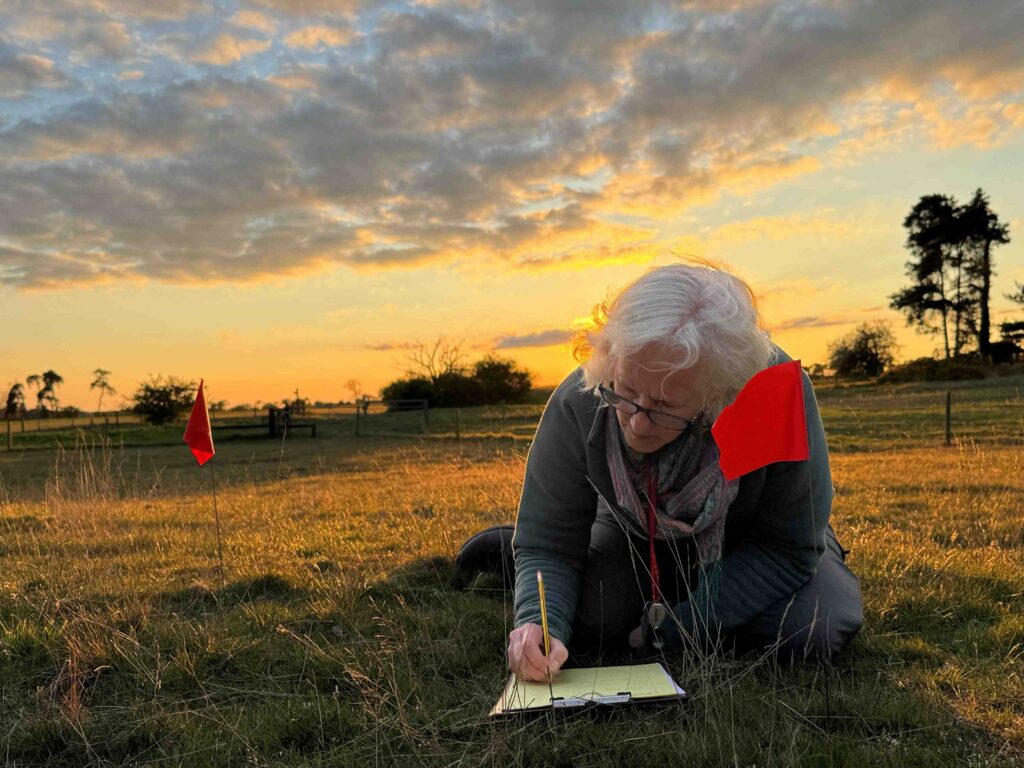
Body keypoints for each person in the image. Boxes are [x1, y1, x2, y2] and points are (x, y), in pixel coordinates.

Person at [456, 261, 863, 682]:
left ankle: (678, 595)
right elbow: (551, 543)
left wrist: (681, 626)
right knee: (592, 620)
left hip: (756, 544)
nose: (636, 422)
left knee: (807, 635)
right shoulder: (582, 396)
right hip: (633, 530)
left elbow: (787, 549)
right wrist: (541, 622)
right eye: (626, 392)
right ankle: (514, 548)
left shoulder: (773, 396)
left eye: (665, 406)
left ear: (720, 395)